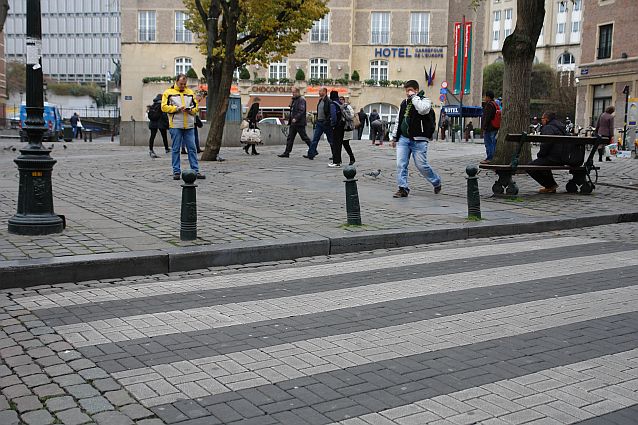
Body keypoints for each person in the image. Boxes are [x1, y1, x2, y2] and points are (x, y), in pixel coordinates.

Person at [391, 79, 441, 198]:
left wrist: (415, 97)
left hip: (419, 139)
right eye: (406, 91)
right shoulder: (404, 103)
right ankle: (403, 188)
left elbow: (422, 110)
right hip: (404, 138)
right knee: (401, 164)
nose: (408, 93)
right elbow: (399, 120)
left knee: (421, 165)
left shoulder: (425, 101)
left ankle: (436, 181)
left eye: (410, 90)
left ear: (416, 90)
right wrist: (394, 137)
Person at [162, 73, 205, 180]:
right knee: (176, 149)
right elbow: (163, 107)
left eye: (184, 84)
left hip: (189, 125)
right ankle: (176, 171)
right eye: (181, 84)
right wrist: (176, 109)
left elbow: (196, 108)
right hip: (175, 124)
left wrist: (190, 110)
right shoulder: (168, 93)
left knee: (192, 148)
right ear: (176, 81)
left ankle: (195, 170)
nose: (183, 86)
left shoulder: (190, 92)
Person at [527, 111, 578, 193]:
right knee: (543, 163)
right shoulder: (561, 127)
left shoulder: (548, 128)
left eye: (542, 119)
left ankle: (549, 185)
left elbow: (546, 144)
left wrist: (540, 154)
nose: (541, 121)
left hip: (554, 158)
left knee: (529, 167)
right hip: (564, 158)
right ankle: (551, 185)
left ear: (546, 119)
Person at [278, 87, 311, 157]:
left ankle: (313, 150)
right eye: (292, 92)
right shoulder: (294, 100)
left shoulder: (301, 100)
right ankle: (287, 152)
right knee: (290, 138)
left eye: (294, 92)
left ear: (298, 92)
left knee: (304, 137)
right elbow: (292, 110)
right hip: (293, 123)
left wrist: (296, 118)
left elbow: (301, 110)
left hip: (299, 123)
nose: (293, 94)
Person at [305, 87, 333, 160]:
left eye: (320, 91)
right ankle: (311, 154)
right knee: (315, 139)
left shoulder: (329, 101)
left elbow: (330, 113)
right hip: (319, 123)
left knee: (331, 140)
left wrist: (326, 121)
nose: (319, 92)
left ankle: (335, 155)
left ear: (324, 92)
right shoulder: (320, 101)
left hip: (326, 123)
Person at [148, 94, 170, 158]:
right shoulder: (162, 105)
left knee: (152, 137)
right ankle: (166, 148)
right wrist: (167, 124)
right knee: (164, 136)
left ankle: (151, 149)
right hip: (161, 123)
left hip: (153, 123)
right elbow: (164, 115)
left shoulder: (153, 105)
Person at [481, 90, 499, 164]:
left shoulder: (489, 105)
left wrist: (484, 127)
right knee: (493, 143)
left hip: (489, 127)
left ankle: (490, 158)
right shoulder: (495, 104)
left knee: (489, 143)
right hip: (495, 126)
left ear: (488, 97)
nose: (484, 98)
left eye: (485, 96)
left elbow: (487, 117)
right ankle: (492, 158)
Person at [328, 91, 345, 167]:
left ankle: (336, 162)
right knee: (339, 144)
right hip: (342, 125)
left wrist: (333, 125)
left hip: (337, 126)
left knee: (335, 144)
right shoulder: (340, 103)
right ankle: (339, 161)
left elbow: (334, 116)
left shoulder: (333, 104)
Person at [337, 96, 356, 166]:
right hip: (342, 128)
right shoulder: (339, 107)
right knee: (343, 143)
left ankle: (352, 158)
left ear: (344, 100)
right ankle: (338, 158)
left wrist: (343, 110)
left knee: (345, 143)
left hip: (347, 127)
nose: (340, 100)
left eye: (342, 99)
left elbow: (350, 117)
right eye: (339, 99)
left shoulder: (347, 107)